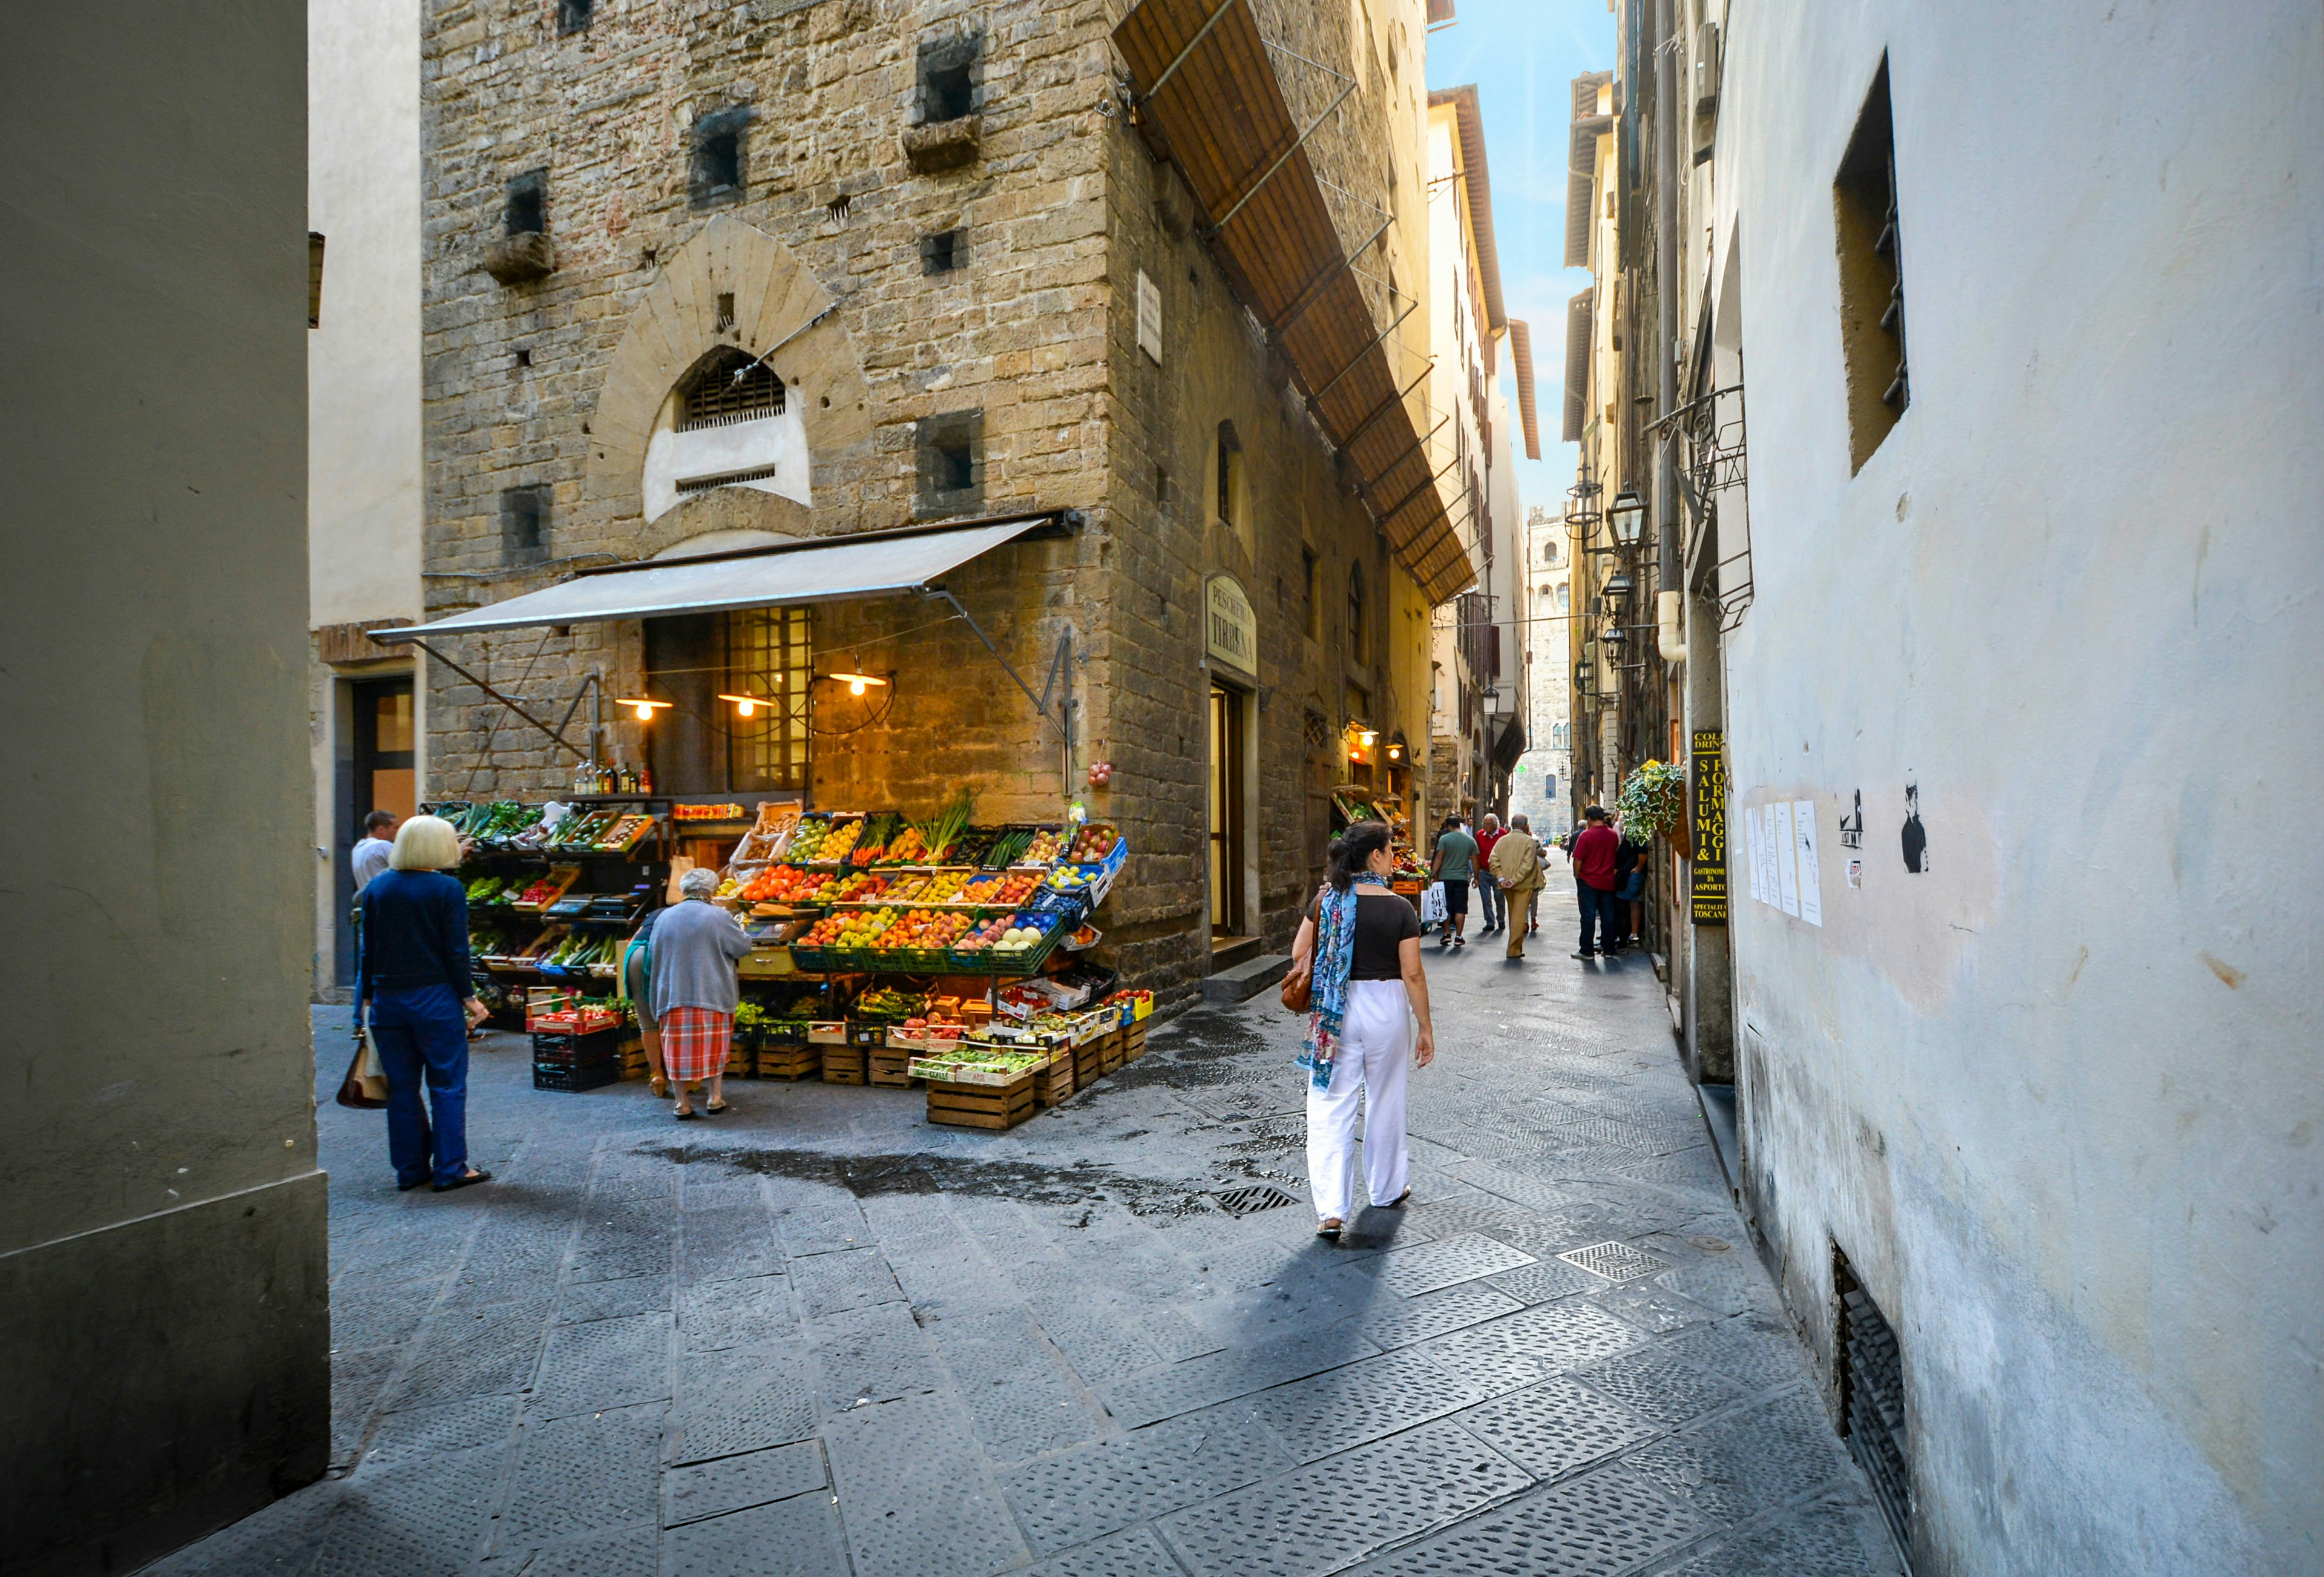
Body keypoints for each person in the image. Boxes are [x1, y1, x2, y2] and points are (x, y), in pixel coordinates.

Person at [1287, 819, 1436, 1242]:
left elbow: (1299, 952)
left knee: (1331, 1103)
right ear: (1375, 855)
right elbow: (1414, 973)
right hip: (1386, 1007)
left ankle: (1331, 1210)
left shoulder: (1324, 902)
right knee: (1386, 1098)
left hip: (1336, 1011)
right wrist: (1425, 1026)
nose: (1393, 858)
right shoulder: (1400, 908)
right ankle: (1388, 1188)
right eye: (1390, 850)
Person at [356, 814, 491, 1192]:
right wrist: (470, 998)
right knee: (447, 1084)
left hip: (387, 1000)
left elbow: (368, 951)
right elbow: (456, 951)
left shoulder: (378, 889)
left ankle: (410, 1169)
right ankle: (451, 1169)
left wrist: (366, 999)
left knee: (402, 1088)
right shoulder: (446, 889)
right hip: (434, 998)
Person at [649, 866, 753, 1119]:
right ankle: (714, 1097)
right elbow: (742, 947)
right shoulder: (719, 916)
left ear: (685, 890)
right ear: (711, 891)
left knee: (676, 1052)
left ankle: (681, 1103)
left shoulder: (664, 917)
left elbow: (654, 954)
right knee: (715, 1049)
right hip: (712, 994)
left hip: (673, 994)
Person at [618, 906, 669, 1098]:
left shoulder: (655, 913)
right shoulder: (691, 915)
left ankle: (657, 1074)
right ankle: (683, 1077)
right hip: (658, 955)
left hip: (635, 954)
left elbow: (637, 936)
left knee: (647, 1022)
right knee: (671, 1017)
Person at [1487, 814, 1546, 960]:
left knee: (1513, 913)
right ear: (1526, 825)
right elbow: (1528, 865)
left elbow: (1492, 860)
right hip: (1523, 884)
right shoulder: (1529, 842)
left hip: (1506, 883)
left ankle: (1516, 947)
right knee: (1519, 916)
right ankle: (1513, 949)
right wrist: (1515, 880)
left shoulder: (1502, 841)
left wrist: (1502, 878)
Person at [1571, 805, 1621, 960]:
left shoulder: (1586, 836)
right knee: (1608, 916)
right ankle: (1609, 949)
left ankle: (1587, 950)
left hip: (1588, 880)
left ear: (1589, 819)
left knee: (1588, 915)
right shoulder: (1613, 835)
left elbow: (1578, 860)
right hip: (1607, 880)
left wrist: (1577, 875)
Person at [1429, 814, 1478, 949]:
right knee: (1461, 908)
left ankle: (1446, 934)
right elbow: (1475, 860)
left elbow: (1439, 858)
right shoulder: (1470, 840)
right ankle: (1459, 936)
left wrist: (1433, 875)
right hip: (1462, 878)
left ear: (1449, 826)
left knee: (1447, 906)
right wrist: (1476, 878)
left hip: (1446, 877)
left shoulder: (1445, 839)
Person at [1612, 828, 1644, 952]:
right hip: (1629, 874)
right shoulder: (1632, 832)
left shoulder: (1635, 833)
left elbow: (1643, 851)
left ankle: (1624, 939)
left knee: (1622, 906)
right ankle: (1632, 936)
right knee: (1633, 904)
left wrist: (1638, 869)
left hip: (1630, 875)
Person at [351, 809, 398, 893]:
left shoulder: (358, 848)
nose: (398, 831)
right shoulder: (382, 846)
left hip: (368, 900)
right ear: (381, 830)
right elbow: (406, 867)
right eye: (395, 828)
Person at [1473, 814, 1505, 935]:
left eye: (1488, 824)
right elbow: (1476, 854)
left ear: (1495, 824)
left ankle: (1501, 920)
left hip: (1498, 871)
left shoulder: (1503, 834)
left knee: (1499, 897)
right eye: (1484, 824)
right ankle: (1490, 922)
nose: (1485, 826)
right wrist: (1476, 875)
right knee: (1486, 898)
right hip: (1484, 871)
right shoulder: (1480, 835)